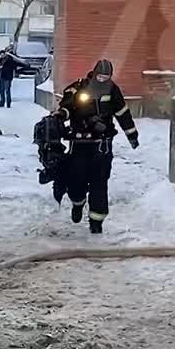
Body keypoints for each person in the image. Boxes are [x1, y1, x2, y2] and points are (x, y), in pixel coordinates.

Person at [53, 59, 138, 234]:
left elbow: (122, 113)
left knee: (99, 183)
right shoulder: (79, 87)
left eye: (106, 77)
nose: (102, 80)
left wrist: (132, 135)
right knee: (76, 179)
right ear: (94, 74)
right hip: (79, 144)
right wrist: (61, 114)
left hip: (102, 145)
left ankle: (96, 222)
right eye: (100, 77)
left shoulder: (112, 90)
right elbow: (67, 106)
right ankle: (78, 203)